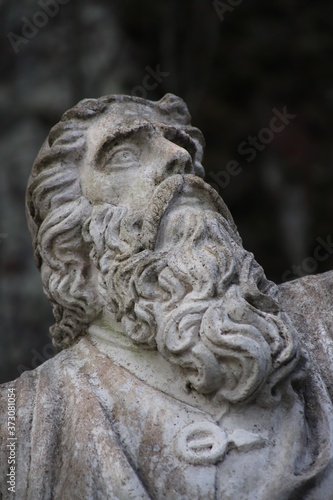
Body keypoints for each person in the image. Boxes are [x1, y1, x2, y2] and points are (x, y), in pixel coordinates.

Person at [1, 93, 332, 499]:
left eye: (185, 150)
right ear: (71, 236)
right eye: (123, 154)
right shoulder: (19, 426)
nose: (177, 157)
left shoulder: (322, 319)